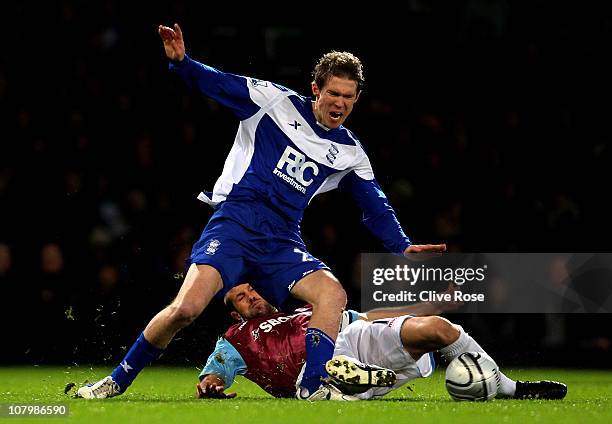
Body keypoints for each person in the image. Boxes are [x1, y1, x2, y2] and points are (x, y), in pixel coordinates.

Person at [77, 23, 446, 400]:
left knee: (332, 295)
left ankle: (314, 385)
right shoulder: (274, 102)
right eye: (333, 93)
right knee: (185, 310)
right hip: (236, 224)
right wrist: (183, 63)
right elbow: (220, 83)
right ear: (315, 89)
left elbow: (375, 206)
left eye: (349, 97)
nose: (340, 104)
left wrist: (402, 245)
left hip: (281, 239)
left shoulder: (350, 153)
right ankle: (115, 381)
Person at [196, 283, 567, 401]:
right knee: (329, 373)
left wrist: (436, 304)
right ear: (234, 315)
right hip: (311, 372)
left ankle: (509, 387)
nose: (252, 296)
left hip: (353, 337)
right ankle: (338, 382)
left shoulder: (309, 309)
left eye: (252, 289)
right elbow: (213, 376)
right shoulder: (236, 339)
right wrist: (211, 386)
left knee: (440, 328)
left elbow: (371, 316)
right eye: (242, 298)